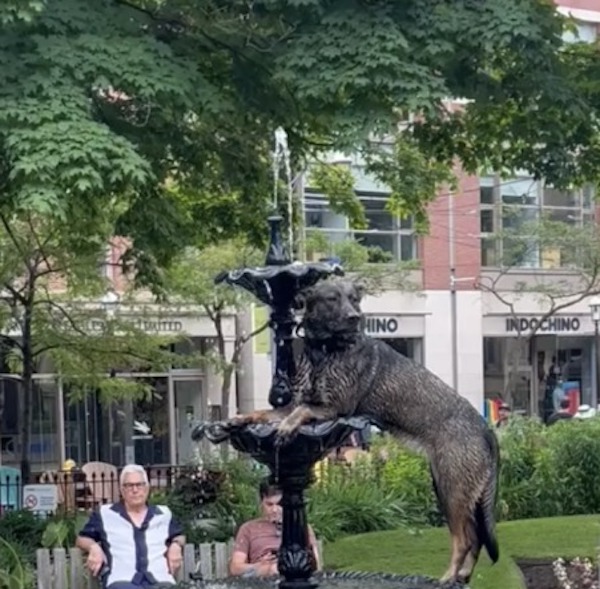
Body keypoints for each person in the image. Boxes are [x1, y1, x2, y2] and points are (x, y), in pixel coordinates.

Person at [76, 464, 185, 589]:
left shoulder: (164, 514)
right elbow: (81, 539)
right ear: (122, 490)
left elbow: (179, 535)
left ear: (147, 488)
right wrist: (93, 547)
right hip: (122, 582)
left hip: (161, 582)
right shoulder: (105, 514)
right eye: (129, 486)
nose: (135, 490)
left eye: (139, 484)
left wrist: (176, 545)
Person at [229, 479, 321, 578]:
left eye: (279, 504)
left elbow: (315, 566)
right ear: (261, 503)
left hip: (294, 575)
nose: (274, 510)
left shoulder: (300, 527)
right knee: (274, 569)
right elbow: (235, 568)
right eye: (269, 504)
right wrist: (258, 566)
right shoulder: (248, 529)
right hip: (261, 579)